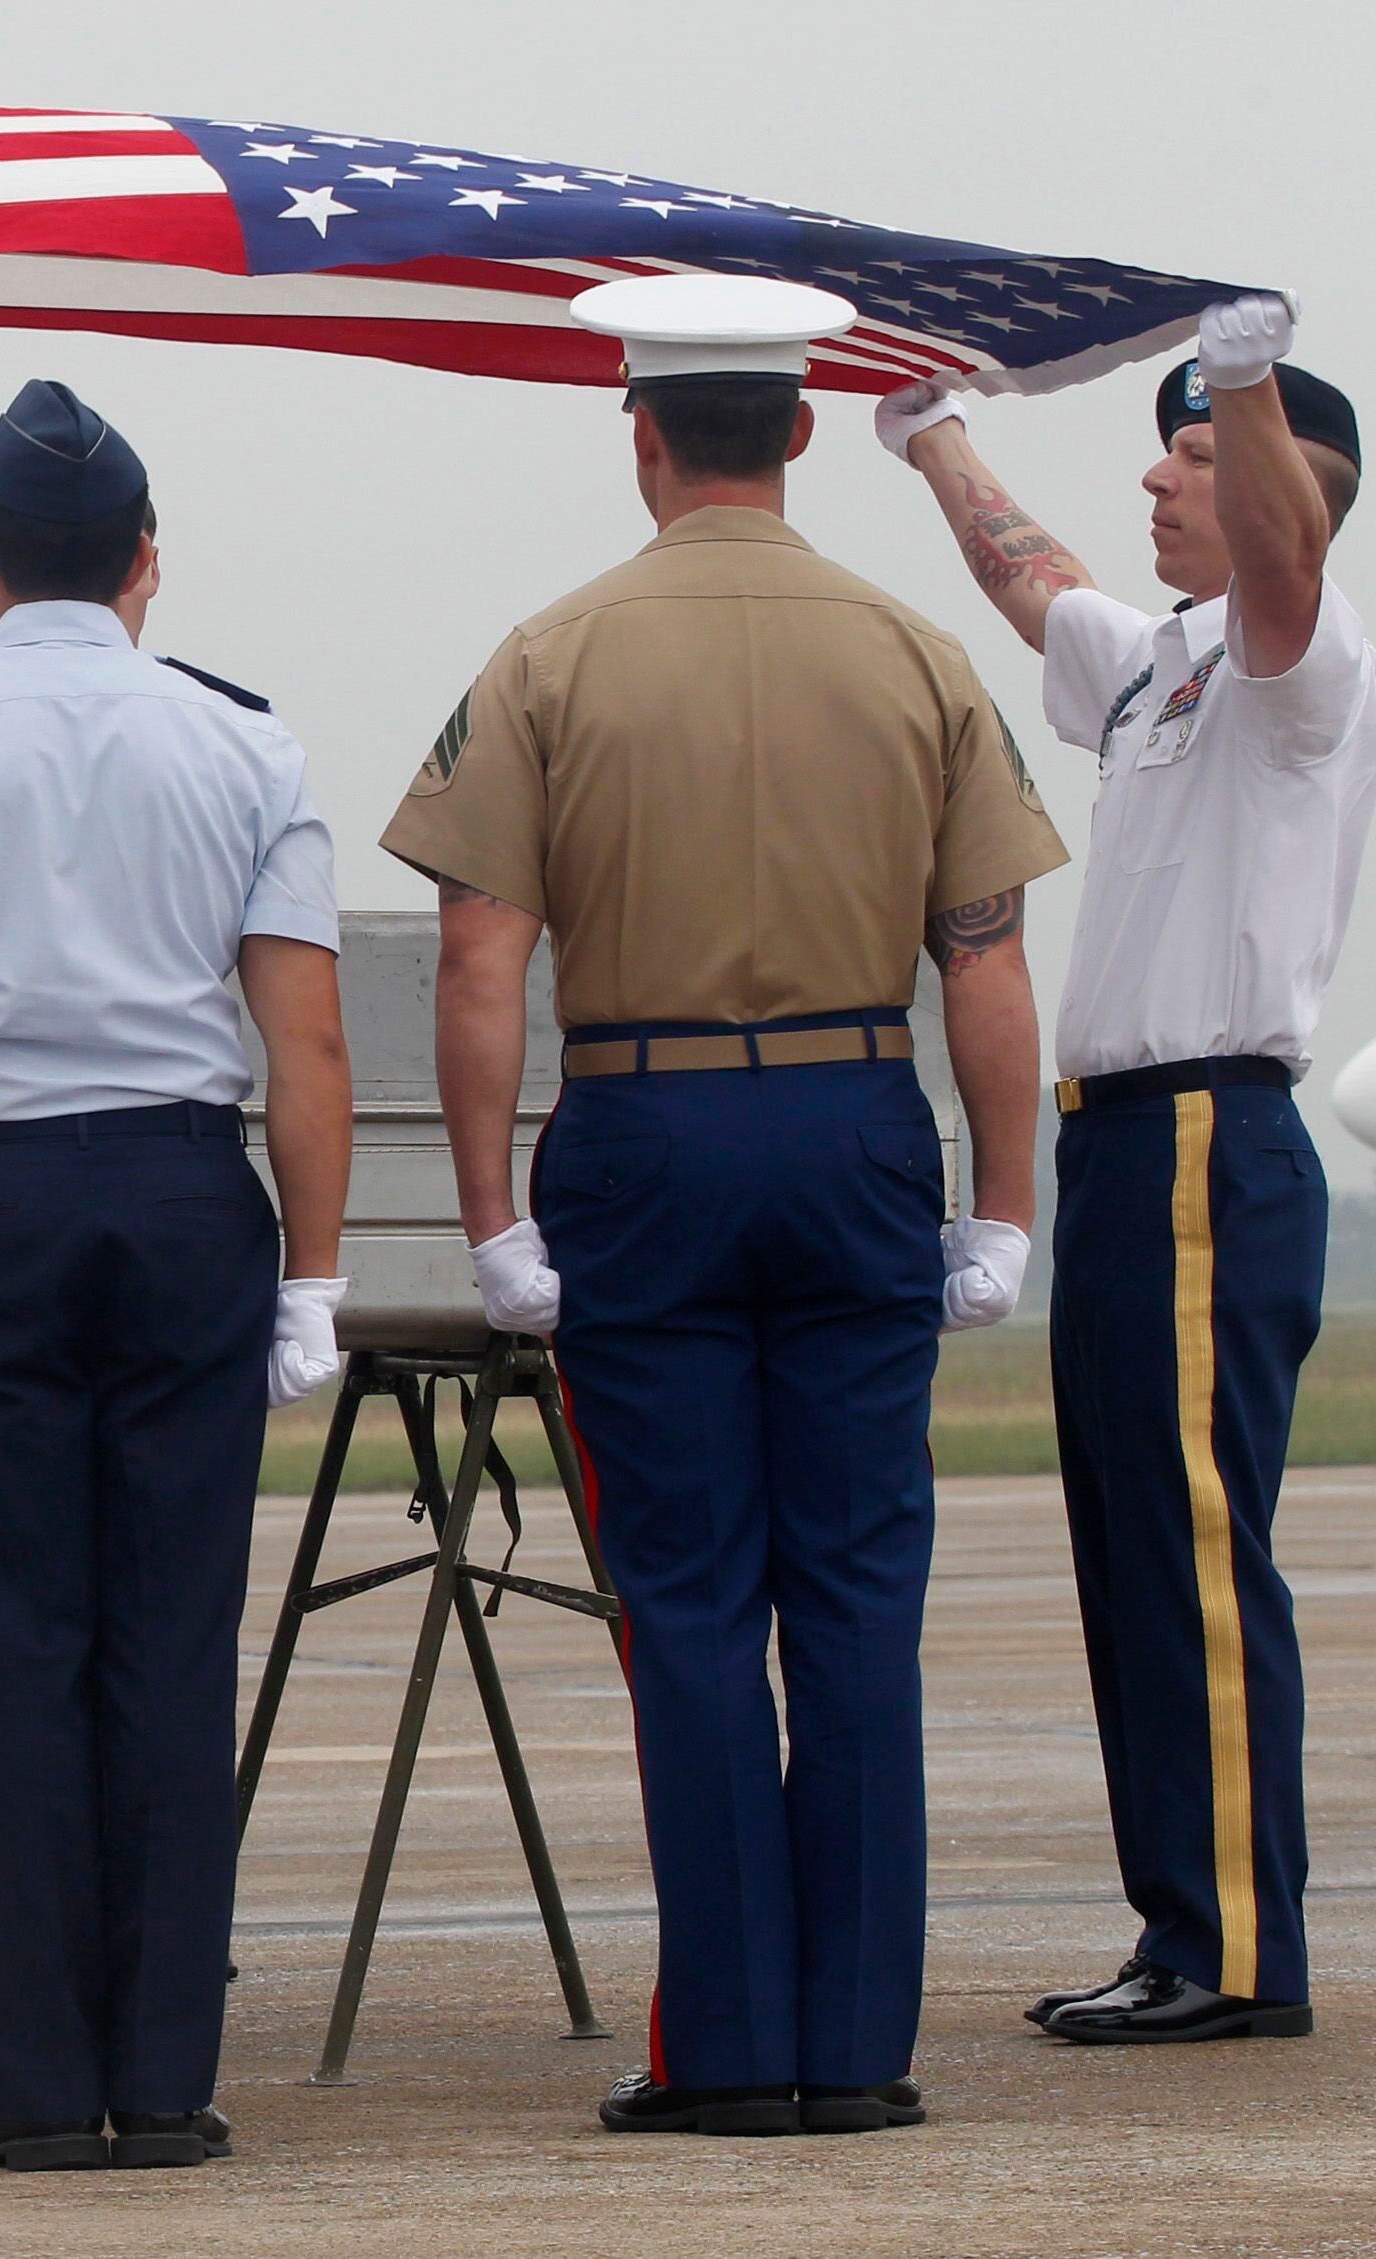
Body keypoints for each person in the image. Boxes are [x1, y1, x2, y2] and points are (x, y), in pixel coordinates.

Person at [383, 275, 1067, 2138]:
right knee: (855, 1595)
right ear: (794, 429)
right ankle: (857, 2045)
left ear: (646, 435)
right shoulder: (920, 652)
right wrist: (1004, 1205)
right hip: (857, 1127)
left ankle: (728, 2043)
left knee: (686, 1604)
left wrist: (489, 1213)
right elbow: (989, 965)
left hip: (645, 1133)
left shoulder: (549, 655)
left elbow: (475, 960)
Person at [0, 379, 355, 2173]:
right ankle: (168, 2078)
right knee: (175, 1648)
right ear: (145, 566)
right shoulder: (244, 742)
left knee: (20, 1651)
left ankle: (39, 2083)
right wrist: (316, 1273)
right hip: (194, 1197)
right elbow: (309, 1044)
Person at [878, 296, 1376, 2046]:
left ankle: (1238, 1943)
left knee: (1195, 1547)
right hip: (1121, 1151)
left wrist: (1237, 376)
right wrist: (933, 434)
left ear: (1272, 490)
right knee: (1133, 1552)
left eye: (1194, 454)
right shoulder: (1169, 663)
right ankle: (1187, 1917)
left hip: (1203, 1141)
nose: (1161, 481)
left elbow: (1286, 555)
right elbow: (1038, 583)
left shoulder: (1300, 657)